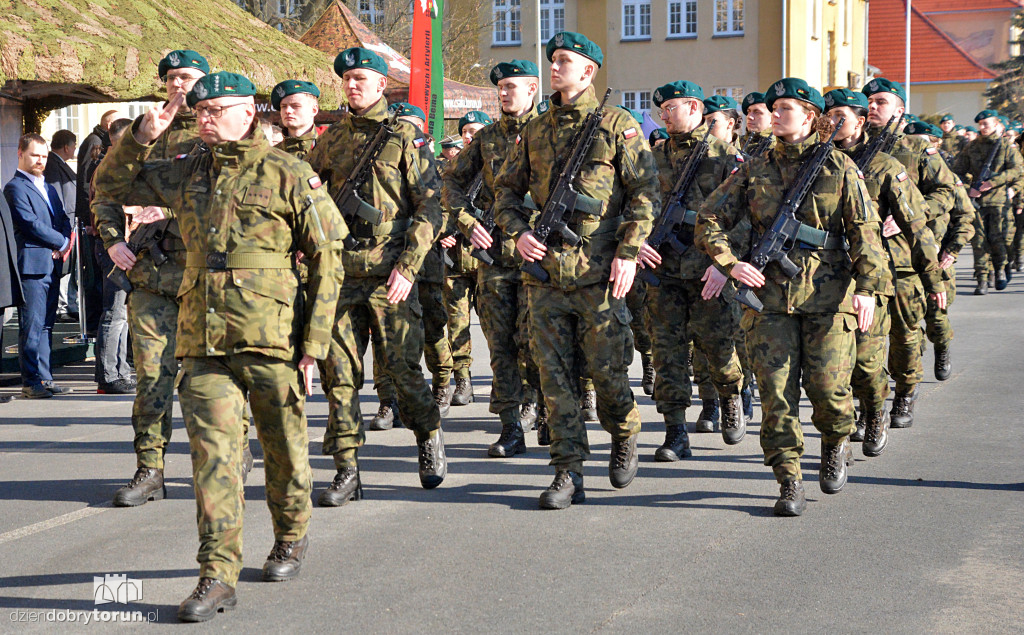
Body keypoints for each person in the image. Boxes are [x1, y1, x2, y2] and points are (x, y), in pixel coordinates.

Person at [93, 70, 346, 621]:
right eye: (199, 111)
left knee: (283, 449)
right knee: (213, 459)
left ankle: (291, 534)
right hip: (202, 339)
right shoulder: (184, 175)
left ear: (248, 112)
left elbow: (329, 259)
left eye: (215, 110)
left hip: (271, 339)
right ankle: (216, 574)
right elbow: (109, 189)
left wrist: (315, 343)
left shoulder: (288, 172)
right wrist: (138, 137)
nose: (202, 119)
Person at [695, 77, 888, 517]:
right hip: (769, 302)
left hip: (829, 298)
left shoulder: (839, 167)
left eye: (786, 108)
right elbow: (709, 218)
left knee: (828, 390)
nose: (776, 115)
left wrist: (870, 289)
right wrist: (730, 263)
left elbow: (865, 234)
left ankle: (836, 443)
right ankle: (788, 479)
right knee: (776, 395)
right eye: (773, 108)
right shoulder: (753, 167)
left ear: (810, 117)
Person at [492, 31, 659, 509]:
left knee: (608, 376)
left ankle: (624, 430)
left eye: (565, 60)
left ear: (588, 71)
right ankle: (568, 471)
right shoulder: (536, 129)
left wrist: (628, 253)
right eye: (553, 60)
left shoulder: (617, 125)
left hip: (599, 273)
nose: (555, 67)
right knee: (554, 378)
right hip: (544, 275)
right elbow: (504, 193)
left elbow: (644, 195)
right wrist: (517, 233)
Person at [94, 50, 254, 507]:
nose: (179, 86)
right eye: (171, 79)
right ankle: (150, 468)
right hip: (154, 277)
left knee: (219, 376)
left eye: (188, 77)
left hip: (210, 279)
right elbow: (105, 190)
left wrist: (171, 207)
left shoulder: (221, 130)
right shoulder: (145, 135)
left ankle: (234, 451)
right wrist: (110, 240)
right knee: (151, 379)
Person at [307, 47, 447, 506]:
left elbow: (430, 207)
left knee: (404, 371)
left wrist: (408, 267)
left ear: (382, 84)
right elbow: (306, 196)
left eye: (361, 78)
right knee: (339, 375)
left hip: (391, 273)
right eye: (346, 78)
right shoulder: (329, 141)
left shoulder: (405, 137)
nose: (352, 85)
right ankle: (347, 469)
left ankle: (427, 434)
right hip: (342, 273)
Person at [824, 90, 943, 450]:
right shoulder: (816, 161)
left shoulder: (885, 165)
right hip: (824, 281)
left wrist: (933, 277)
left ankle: (875, 410)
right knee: (830, 368)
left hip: (873, 278)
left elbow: (917, 227)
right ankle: (840, 436)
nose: (832, 121)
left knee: (866, 361)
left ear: (859, 121)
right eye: (828, 114)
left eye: (840, 115)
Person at [638, 80, 748, 461]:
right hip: (662, 269)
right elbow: (632, 204)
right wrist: (634, 243)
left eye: (673, 107)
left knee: (717, 348)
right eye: (662, 110)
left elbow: (746, 218)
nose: (665, 115)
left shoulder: (723, 156)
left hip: (708, 271)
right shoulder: (651, 157)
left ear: (696, 109)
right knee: (666, 352)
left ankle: (731, 395)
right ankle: (674, 432)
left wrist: (725, 265)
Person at [443, 59, 545, 457]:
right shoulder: (485, 139)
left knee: (538, 342)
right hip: (494, 259)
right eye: (500, 87)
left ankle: (543, 408)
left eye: (512, 87)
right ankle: (510, 427)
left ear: (532, 89)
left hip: (540, 256)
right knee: (501, 346)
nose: (504, 93)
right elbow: (449, 181)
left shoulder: (549, 133)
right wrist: (467, 223)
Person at [862, 78, 961, 411]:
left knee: (904, 334)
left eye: (881, 102)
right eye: (869, 102)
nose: (873, 107)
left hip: (905, 259)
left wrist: (909, 214)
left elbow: (946, 192)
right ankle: (868, 404)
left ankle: (905, 391)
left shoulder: (917, 148)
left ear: (900, 110)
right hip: (863, 260)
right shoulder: (855, 148)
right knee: (864, 339)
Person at [4, 134, 73, 399]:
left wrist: (64, 241)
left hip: (52, 264)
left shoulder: (49, 187)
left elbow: (63, 219)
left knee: (46, 325)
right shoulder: (15, 187)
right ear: (20, 153)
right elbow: (29, 222)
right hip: (32, 266)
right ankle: (30, 380)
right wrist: (61, 241)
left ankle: (45, 377)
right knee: (31, 325)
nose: (40, 161)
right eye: (35, 155)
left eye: (44, 156)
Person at [441, 109, 495, 407]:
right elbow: (433, 208)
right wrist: (442, 232)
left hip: (488, 260)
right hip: (454, 260)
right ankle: (462, 379)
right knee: (457, 323)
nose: (470, 136)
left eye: (476, 131)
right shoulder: (449, 173)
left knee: (494, 325)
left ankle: (501, 379)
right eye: (466, 132)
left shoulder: (501, 170)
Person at [954, 109, 1024, 293]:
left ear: (996, 125)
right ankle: (982, 279)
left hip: (999, 202)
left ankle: (1000, 268)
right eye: (981, 124)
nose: (983, 127)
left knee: (998, 239)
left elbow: (1017, 170)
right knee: (978, 242)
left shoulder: (1006, 147)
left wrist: (993, 182)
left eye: (987, 124)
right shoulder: (972, 147)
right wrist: (970, 188)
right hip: (977, 202)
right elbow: (956, 171)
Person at [91, 118, 137, 395]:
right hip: (112, 245)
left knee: (121, 314)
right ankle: (108, 376)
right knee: (115, 313)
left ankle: (118, 371)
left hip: (120, 244)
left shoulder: (118, 166)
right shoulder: (108, 169)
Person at [44, 130, 79, 322]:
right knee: (64, 265)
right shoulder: (53, 165)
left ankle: (68, 303)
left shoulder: (59, 164)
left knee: (69, 266)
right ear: (66, 147)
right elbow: (56, 198)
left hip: (69, 224)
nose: (75, 149)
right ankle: (62, 305)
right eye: (74, 145)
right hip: (63, 226)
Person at [274, 79, 321, 160]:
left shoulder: (329, 148)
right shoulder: (272, 155)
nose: (288, 111)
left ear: (314, 110)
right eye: (283, 106)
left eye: (295, 106)